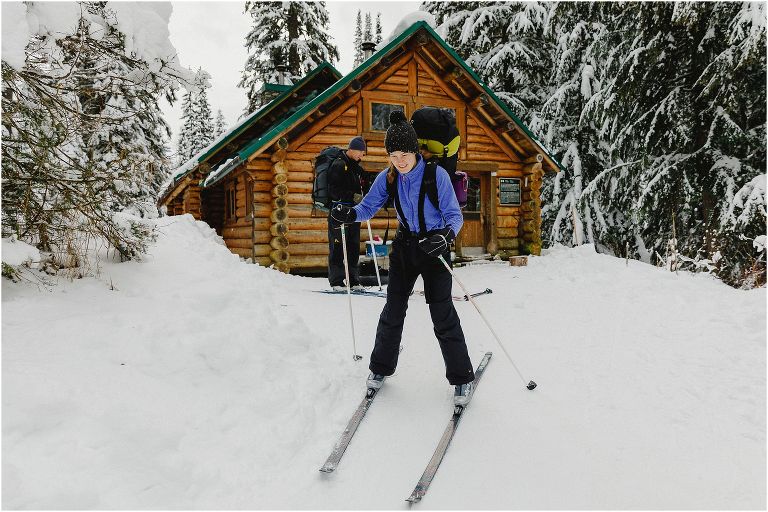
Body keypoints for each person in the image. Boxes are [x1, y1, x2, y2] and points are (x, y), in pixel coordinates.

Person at [330, 111, 476, 406]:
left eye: (405, 153)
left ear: (415, 151)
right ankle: (380, 367)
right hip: (404, 248)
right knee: (393, 309)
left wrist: (446, 237)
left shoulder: (437, 175)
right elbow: (367, 208)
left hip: (434, 249)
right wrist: (350, 214)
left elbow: (454, 215)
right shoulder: (389, 177)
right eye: (393, 154)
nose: (400, 160)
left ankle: (461, 378)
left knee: (442, 313)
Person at [327, 136, 367, 291]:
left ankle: (354, 280)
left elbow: (362, 186)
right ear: (351, 149)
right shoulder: (338, 164)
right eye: (360, 152)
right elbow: (333, 191)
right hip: (338, 211)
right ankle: (336, 281)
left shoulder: (356, 168)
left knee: (353, 246)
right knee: (337, 246)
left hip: (353, 212)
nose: (361, 156)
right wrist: (353, 196)